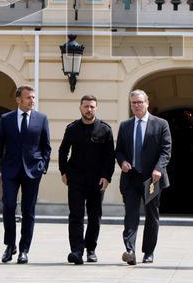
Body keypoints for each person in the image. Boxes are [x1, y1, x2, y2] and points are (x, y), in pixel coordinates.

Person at [0, 85, 51, 264]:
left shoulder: (41, 119)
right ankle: (10, 245)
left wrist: (42, 166)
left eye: (33, 97)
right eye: (29, 97)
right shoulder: (6, 119)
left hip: (33, 171)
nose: (32, 100)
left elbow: (46, 146)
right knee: (8, 206)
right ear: (18, 100)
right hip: (10, 170)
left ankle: (24, 249)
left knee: (28, 211)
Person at [114, 89, 171, 265]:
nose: (136, 106)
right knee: (130, 214)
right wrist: (122, 162)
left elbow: (166, 150)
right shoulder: (125, 125)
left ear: (147, 103)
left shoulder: (161, 124)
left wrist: (158, 169)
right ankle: (130, 250)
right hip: (131, 177)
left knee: (151, 215)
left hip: (151, 179)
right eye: (133, 103)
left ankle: (148, 251)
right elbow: (119, 150)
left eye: (140, 102)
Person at [58, 94, 115, 265]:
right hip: (75, 179)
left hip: (97, 181)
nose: (89, 110)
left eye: (92, 107)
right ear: (80, 107)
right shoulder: (72, 128)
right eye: (86, 106)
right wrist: (63, 171)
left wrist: (107, 177)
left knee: (94, 216)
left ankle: (90, 249)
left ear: (96, 108)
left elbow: (109, 156)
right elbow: (63, 151)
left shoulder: (105, 129)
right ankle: (76, 250)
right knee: (75, 215)